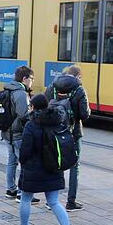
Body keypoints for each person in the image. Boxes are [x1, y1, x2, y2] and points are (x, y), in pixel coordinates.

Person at [13, 94, 76, 225]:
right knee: (54, 202)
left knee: (26, 199)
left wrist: (23, 161)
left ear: (33, 107)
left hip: (34, 170)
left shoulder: (31, 125)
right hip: (54, 168)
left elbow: (26, 150)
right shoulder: (57, 121)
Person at [45, 66, 90, 211]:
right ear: (78, 77)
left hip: (54, 132)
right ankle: (71, 202)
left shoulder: (52, 87)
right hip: (73, 133)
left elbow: (45, 107)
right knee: (74, 167)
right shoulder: (79, 90)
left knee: (56, 163)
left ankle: (51, 200)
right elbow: (85, 114)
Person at [3, 66, 39, 204]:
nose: (32, 82)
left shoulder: (8, 88)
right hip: (17, 134)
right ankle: (22, 193)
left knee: (12, 161)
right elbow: (24, 115)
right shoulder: (20, 93)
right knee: (25, 163)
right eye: (31, 79)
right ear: (24, 79)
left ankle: (10, 189)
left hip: (7, 133)